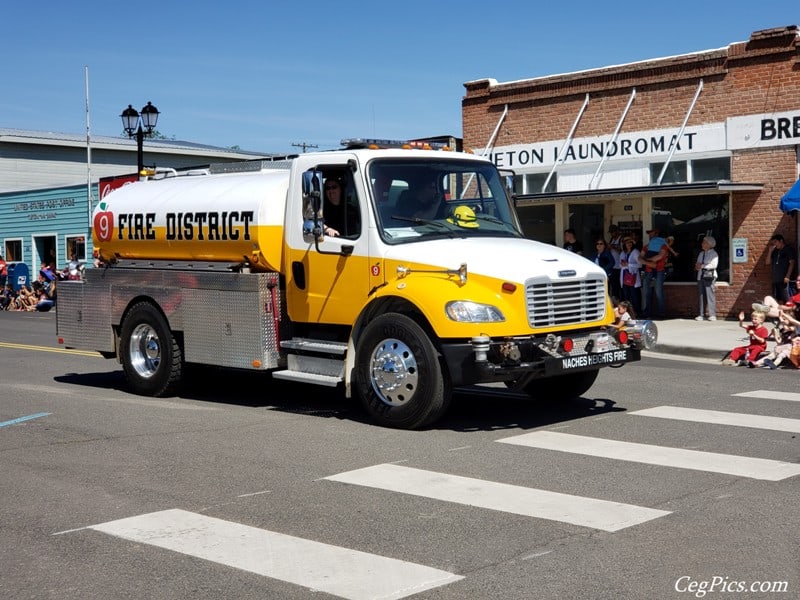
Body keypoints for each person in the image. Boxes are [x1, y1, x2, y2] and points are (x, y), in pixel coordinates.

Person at [638, 228, 668, 319]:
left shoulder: (663, 245)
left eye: (652, 234)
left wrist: (646, 260)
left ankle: (661, 313)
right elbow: (639, 258)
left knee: (658, 292)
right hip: (648, 271)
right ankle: (648, 312)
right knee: (647, 292)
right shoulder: (646, 246)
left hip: (659, 271)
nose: (650, 236)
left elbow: (659, 256)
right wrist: (649, 263)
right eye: (649, 234)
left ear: (656, 234)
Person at [765, 234, 795, 304]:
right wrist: (770, 251)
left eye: (775, 242)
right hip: (776, 279)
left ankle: (790, 314)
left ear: (781, 241)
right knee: (778, 299)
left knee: (787, 299)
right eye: (773, 243)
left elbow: (792, 263)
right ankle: (781, 314)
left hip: (784, 280)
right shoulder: (775, 251)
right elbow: (767, 262)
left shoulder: (788, 249)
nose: (774, 244)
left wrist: (787, 276)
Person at [694, 236, 719, 321]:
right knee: (701, 295)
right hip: (700, 275)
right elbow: (697, 264)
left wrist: (702, 266)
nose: (702, 244)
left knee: (710, 295)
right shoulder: (701, 253)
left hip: (709, 277)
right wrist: (698, 266)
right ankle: (701, 314)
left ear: (709, 244)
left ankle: (712, 314)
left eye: (704, 242)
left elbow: (713, 265)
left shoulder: (714, 254)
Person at [619, 237, 641, 316]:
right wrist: (623, 265)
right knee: (626, 297)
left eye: (630, 242)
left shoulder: (635, 252)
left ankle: (637, 313)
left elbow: (640, 264)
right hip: (624, 277)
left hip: (633, 278)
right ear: (624, 244)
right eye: (627, 242)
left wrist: (628, 264)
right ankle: (628, 314)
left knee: (635, 296)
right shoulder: (623, 253)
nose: (629, 244)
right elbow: (620, 264)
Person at [607, 224, 623, 300]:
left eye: (613, 232)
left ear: (617, 231)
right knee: (614, 287)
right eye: (611, 232)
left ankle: (621, 302)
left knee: (620, 286)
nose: (611, 234)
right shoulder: (612, 239)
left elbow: (623, 251)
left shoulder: (621, 239)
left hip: (620, 267)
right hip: (613, 266)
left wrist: (612, 246)